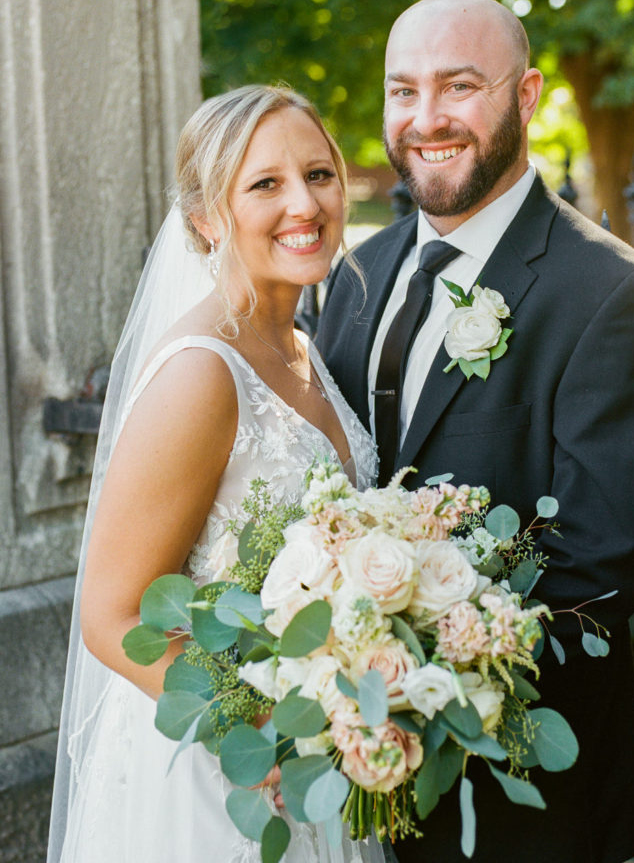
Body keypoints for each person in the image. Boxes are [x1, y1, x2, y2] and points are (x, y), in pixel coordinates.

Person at [315, 0, 634, 863]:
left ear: (524, 96)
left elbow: (599, 567)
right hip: (344, 773)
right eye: (401, 91)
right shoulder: (358, 275)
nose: (426, 118)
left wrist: (406, 682)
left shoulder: (614, 297)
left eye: (458, 86)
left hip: (525, 800)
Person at [47, 85, 383, 863]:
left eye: (319, 174)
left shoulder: (300, 346)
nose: (304, 203)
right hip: (214, 780)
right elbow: (112, 616)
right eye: (264, 184)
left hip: (310, 748)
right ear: (205, 219)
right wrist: (256, 739)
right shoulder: (202, 374)